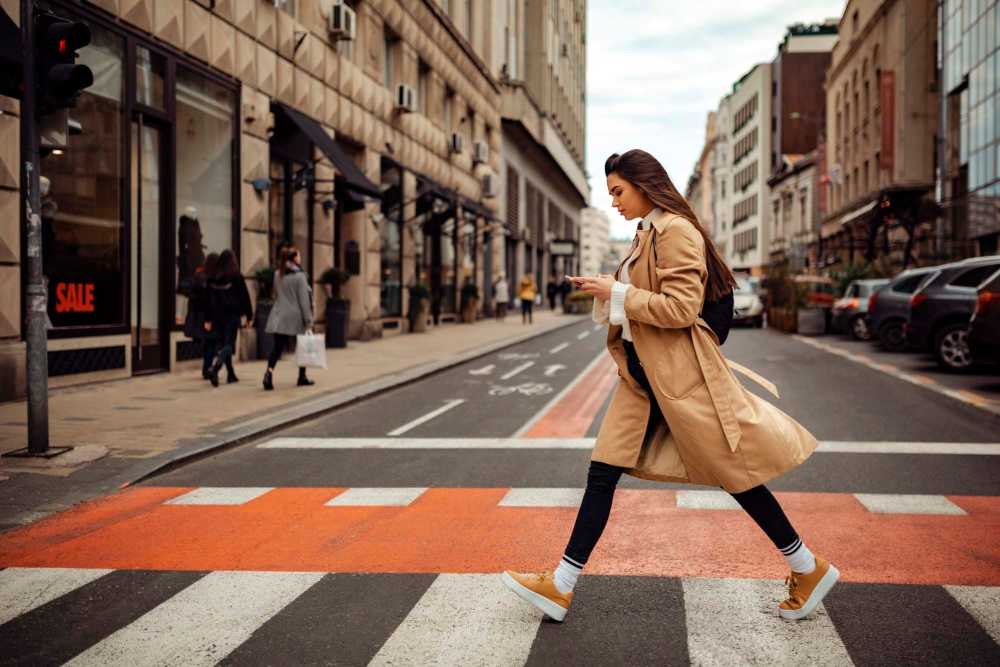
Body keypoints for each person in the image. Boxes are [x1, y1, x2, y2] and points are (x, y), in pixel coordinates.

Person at [502, 149, 836, 623]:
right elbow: (644, 306)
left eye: (618, 191)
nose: (614, 201)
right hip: (643, 379)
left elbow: (680, 308)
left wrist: (615, 292)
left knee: (733, 473)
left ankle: (807, 566)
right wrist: (608, 290)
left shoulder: (676, 231)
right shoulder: (646, 234)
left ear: (644, 184)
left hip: (677, 379)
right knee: (603, 474)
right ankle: (560, 585)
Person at [263, 246, 316, 390]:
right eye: (298, 255)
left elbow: (276, 294)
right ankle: (302, 376)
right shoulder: (300, 276)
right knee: (302, 347)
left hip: (279, 315)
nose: (300, 258)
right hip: (295, 317)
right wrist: (309, 321)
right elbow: (304, 301)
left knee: (277, 348)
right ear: (293, 258)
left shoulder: (277, 274)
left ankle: (268, 374)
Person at [204, 250, 253, 387]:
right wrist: (249, 316)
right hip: (232, 316)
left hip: (217, 317)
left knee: (224, 344)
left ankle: (231, 374)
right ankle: (216, 367)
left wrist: (208, 319)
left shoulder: (213, 278)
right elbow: (245, 297)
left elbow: (209, 300)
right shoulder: (237, 277)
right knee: (229, 345)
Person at [184, 252, 218, 380]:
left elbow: (191, 296)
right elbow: (208, 299)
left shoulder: (198, 275)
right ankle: (208, 369)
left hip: (198, 315)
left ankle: (207, 368)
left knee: (208, 343)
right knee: (211, 343)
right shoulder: (209, 278)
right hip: (206, 315)